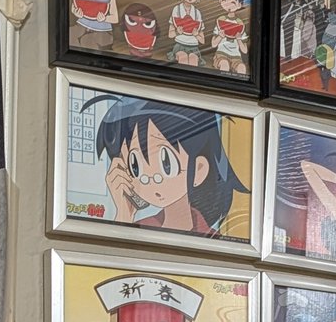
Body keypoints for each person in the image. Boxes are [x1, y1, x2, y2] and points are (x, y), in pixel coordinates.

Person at [87, 94, 247, 237]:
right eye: (135, 167)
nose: (150, 179)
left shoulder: (213, 240)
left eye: (167, 164)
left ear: (199, 169)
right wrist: (124, 214)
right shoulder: (137, 228)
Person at [209, 0, 248, 74]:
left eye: (233, 2)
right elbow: (213, 44)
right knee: (224, 65)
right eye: (224, 0)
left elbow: (245, 50)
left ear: (239, 4)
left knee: (242, 68)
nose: (228, 5)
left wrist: (239, 40)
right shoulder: (221, 20)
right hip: (221, 54)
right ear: (220, 1)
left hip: (237, 57)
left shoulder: (240, 24)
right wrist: (220, 36)